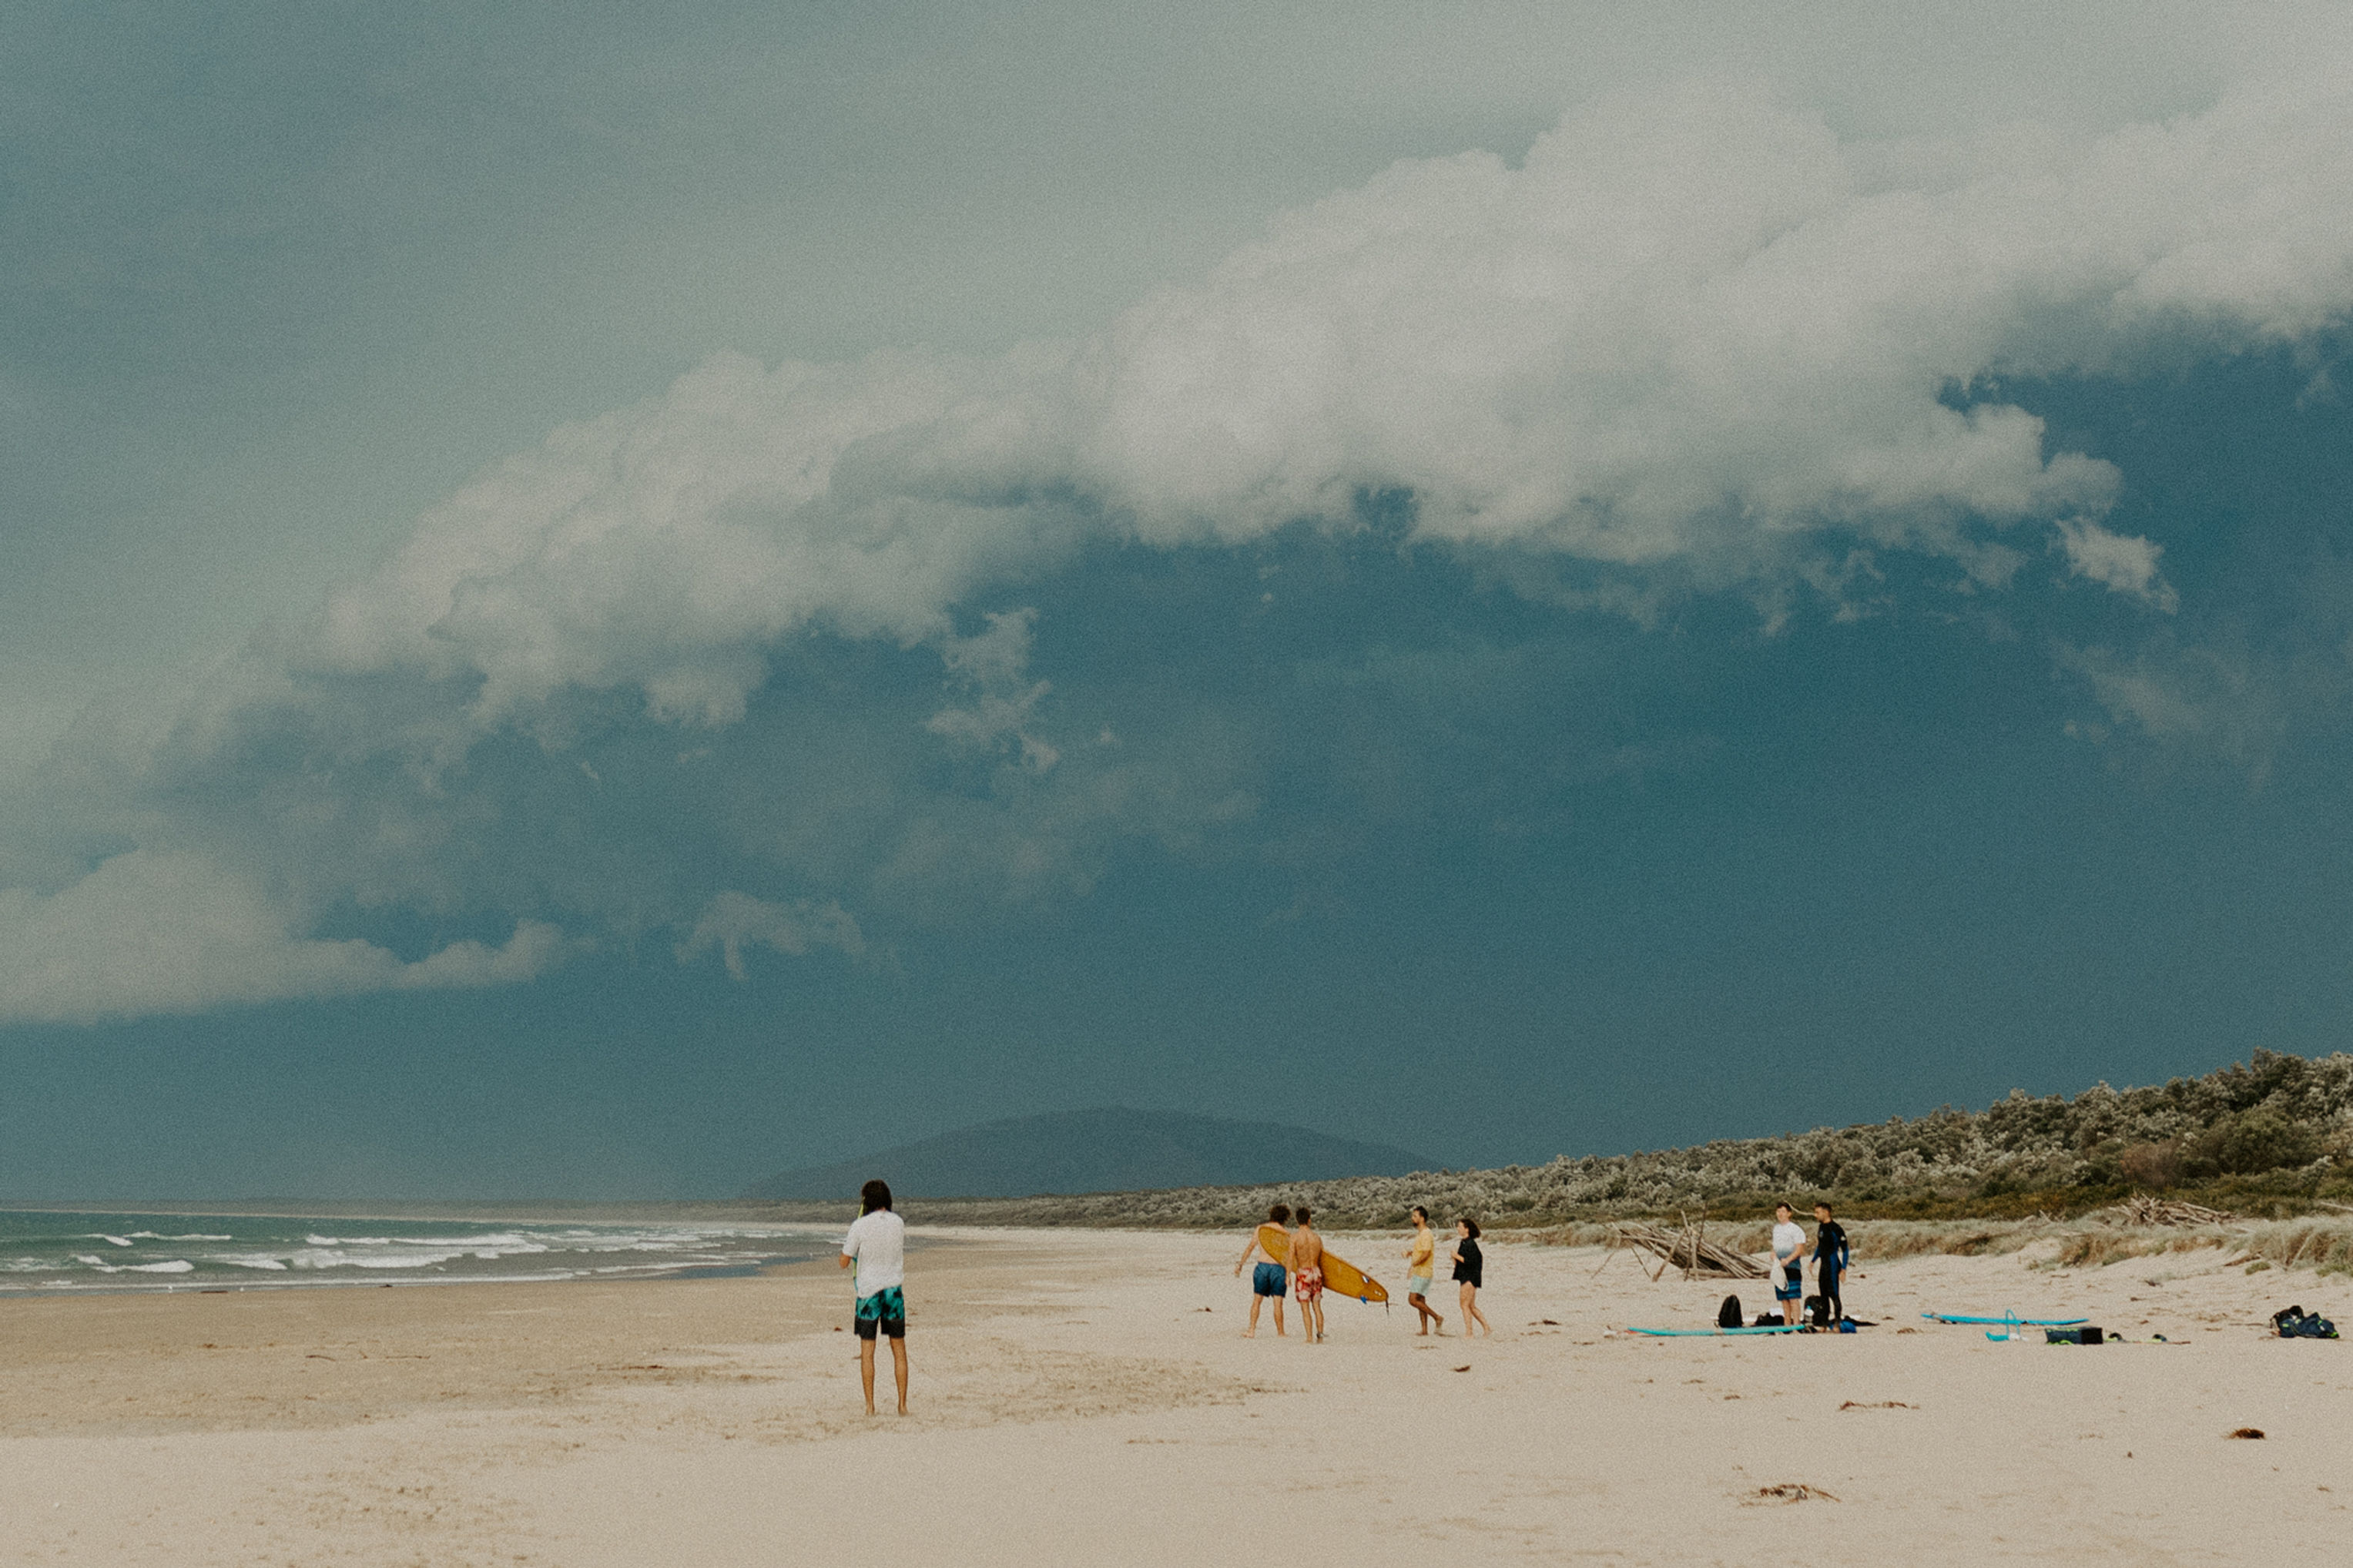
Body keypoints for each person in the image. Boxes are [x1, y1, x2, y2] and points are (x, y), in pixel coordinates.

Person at [839, 1178, 909, 1415]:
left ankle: (870, 1407)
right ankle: (902, 1405)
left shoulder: (859, 1225)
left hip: (868, 1292)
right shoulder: (898, 1222)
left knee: (868, 1352)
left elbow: (843, 1261)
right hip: (893, 1290)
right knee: (898, 1349)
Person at [1233, 1203, 1293, 1338]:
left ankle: (1252, 1330)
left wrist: (1240, 1264)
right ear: (1285, 1218)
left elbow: (1250, 1247)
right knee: (1278, 1303)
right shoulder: (1285, 1233)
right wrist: (1289, 1274)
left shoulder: (1261, 1229)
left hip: (1262, 1267)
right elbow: (1289, 1258)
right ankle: (1281, 1333)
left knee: (1257, 1300)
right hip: (1278, 1268)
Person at [1402, 1205, 1445, 1335]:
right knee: (1420, 1301)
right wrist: (1410, 1253)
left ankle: (1437, 1317)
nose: (1412, 1218)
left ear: (1422, 1218)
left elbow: (1426, 1254)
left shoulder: (1426, 1234)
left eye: (1415, 1216)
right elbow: (1420, 1251)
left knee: (1412, 1300)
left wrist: (1413, 1265)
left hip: (1423, 1272)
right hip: (1421, 1271)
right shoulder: (1421, 1234)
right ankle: (1425, 1330)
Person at [1288, 1205, 1327, 1343]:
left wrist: (1287, 1276)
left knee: (1305, 1307)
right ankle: (1320, 1336)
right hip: (1316, 1272)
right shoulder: (1317, 1238)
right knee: (1317, 1306)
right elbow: (1324, 1260)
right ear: (1309, 1220)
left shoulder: (1295, 1238)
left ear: (1297, 1221)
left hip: (1303, 1273)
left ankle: (1309, 1337)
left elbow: (1290, 1258)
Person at [1769, 1201, 1809, 1326]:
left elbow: (1799, 1249)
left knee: (1793, 1297)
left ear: (1789, 1213)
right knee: (1783, 1298)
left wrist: (1788, 1260)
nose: (1780, 1214)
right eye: (1778, 1211)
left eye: (1783, 1211)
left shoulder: (1795, 1229)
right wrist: (1774, 1255)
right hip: (1779, 1268)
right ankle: (1787, 1325)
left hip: (1792, 1267)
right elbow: (1775, 1247)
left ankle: (1796, 1325)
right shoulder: (1776, 1229)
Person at [1451, 1216, 1490, 1336]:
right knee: (1471, 1306)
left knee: (1464, 1305)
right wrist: (1455, 1258)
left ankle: (1469, 1332)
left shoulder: (1470, 1244)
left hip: (1470, 1277)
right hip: (1467, 1276)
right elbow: (1460, 1263)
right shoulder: (1464, 1243)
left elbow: (1470, 1261)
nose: (1458, 1228)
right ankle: (1487, 1328)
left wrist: (1456, 1256)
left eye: (1460, 1226)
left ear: (1466, 1229)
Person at [1812, 1201, 1849, 1323]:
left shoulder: (1836, 1228)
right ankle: (1824, 1323)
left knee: (1834, 1294)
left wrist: (1843, 1269)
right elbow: (1820, 1246)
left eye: (1818, 1212)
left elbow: (1845, 1250)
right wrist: (1813, 1261)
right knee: (1823, 1295)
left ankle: (1838, 1323)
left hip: (1833, 1264)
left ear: (1826, 1212)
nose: (1815, 1215)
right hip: (1823, 1265)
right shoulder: (1821, 1227)